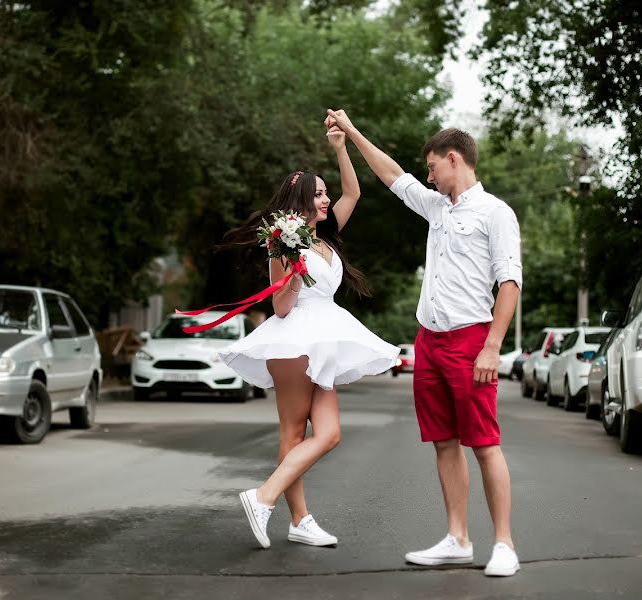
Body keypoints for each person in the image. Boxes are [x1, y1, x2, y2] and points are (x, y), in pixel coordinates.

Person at [324, 109, 523, 576]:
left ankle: (504, 544)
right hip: (429, 342)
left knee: (485, 443)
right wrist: (352, 132)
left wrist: (493, 346)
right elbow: (392, 174)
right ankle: (457, 538)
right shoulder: (435, 207)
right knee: (444, 442)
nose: (427, 176)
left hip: (472, 339)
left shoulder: (496, 213)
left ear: (454, 159)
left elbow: (509, 283)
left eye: (432, 167)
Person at [218, 126, 399, 550]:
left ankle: (266, 498)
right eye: (317, 194)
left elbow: (353, 194)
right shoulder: (284, 242)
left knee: (330, 433)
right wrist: (294, 268)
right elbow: (281, 307)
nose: (325, 199)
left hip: (326, 337)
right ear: (299, 202)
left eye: (324, 193)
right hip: (293, 338)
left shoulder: (325, 236)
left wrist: (341, 147)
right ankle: (293, 515)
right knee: (293, 432)